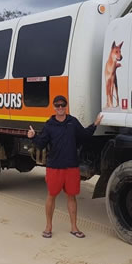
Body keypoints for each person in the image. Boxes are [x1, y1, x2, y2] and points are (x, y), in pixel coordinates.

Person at [27, 95, 103, 239]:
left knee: (71, 197)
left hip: (71, 166)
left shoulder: (72, 122)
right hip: (54, 167)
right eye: (57, 105)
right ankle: (48, 227)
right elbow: (41, 144)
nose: (60, 108)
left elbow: (84, 135)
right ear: (54, 107)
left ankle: (74, 228)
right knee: (51, 196)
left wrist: (95, 124)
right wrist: (32, 137)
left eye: (63, 105)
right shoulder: (49, 125)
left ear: (66, 106)